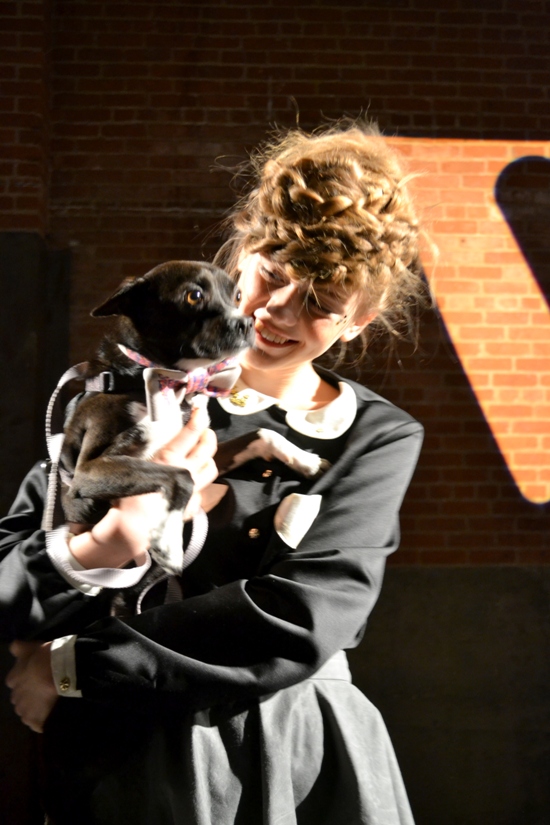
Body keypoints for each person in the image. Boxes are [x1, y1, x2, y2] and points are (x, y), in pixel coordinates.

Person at [2, 121, 427, 825]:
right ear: (239, 251)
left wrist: (74, 664)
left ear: (361, 319)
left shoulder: (373, 435)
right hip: (122, 756)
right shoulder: (120, 396)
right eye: (273, 275)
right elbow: (10, 575)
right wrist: (99, 546)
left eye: (321, 304)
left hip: (289, 754)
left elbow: (301, 615)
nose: (278, 311)